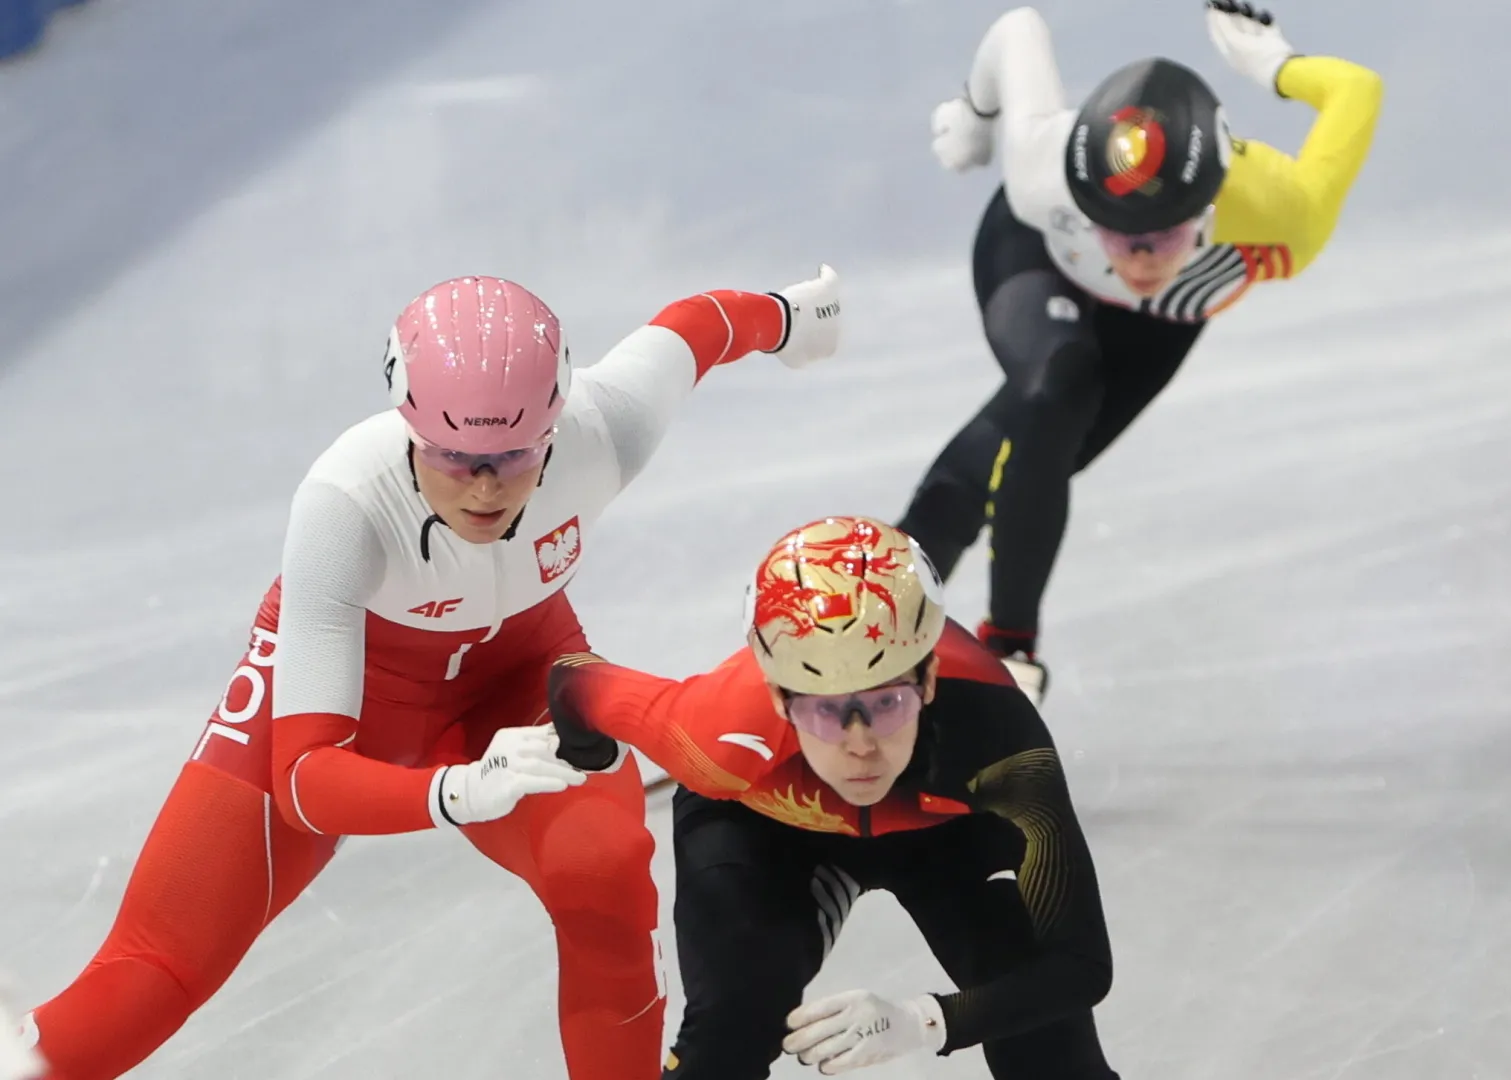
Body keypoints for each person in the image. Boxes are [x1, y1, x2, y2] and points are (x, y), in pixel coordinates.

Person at [18, 266, 844, 1080]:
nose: (484, 486)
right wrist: (451, 794)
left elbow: (698, 328)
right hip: (348, 696)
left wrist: (790, 316)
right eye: (453, 456)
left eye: (514, 454)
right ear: (407, 423)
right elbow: (304, 778)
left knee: (605, 878)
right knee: (160, 968)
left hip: (519, 679)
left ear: (556, 421)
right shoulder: (345, 504)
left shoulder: (605, 427)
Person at [896, 0, 1383, 702]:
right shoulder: (1043, 170)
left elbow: (1359, 91)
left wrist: (1276, 67)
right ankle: (1010, 648)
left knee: (1029, 456)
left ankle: (882, 605)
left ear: (1212, 211)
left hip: (1158, 325)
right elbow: (1017, 29)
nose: (1141, 259)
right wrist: (976, 117)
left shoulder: (1284, 212)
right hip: (1037, 260)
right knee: (1058, 388)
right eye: (1118, 235)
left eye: (1165, 238)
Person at [548, 515, 1118, 1078]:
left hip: (948, 836)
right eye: (823, 710)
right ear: (776, 698)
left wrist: (927, 1020)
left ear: (928, 680)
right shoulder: (713, 732)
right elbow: (572, 681)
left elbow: (1081, 967)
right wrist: (589, 764)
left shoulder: (1001, 746)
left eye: (886, 703)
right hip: (767, 833)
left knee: (1049, 1045)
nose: (860, 746)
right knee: (729, 1029)